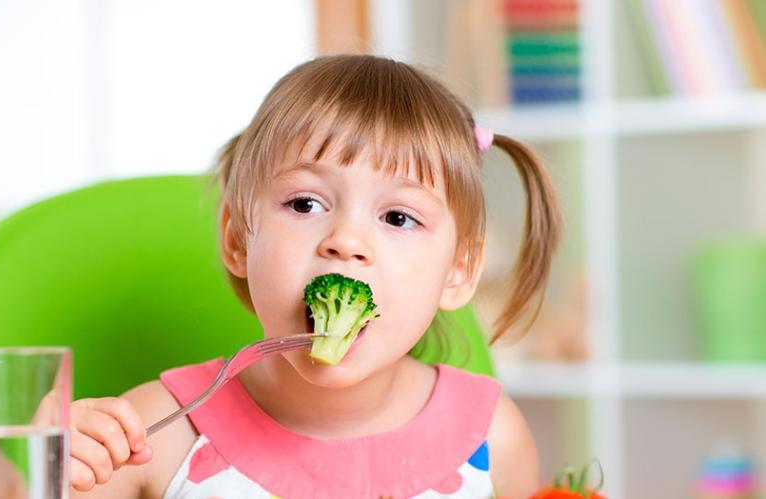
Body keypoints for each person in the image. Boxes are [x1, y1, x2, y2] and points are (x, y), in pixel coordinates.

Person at [69, 54, 561, 499]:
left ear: (458, 271)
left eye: (397, 217)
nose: (345, 241)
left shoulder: (494, 439)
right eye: (305, 203)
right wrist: (44, 474)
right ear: (238, 239)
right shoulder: (154, 433)